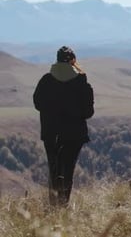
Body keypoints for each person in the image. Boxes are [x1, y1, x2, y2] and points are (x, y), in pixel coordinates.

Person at [33, 46, 94, 207]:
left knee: (54, 170)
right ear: (73, 61)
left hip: (50, 133)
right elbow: (88, 112)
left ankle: (53, 206)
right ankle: (63, 206)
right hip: (74, 135)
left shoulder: (46, 80)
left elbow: (37, 104)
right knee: (67, 170)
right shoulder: (81, 82)